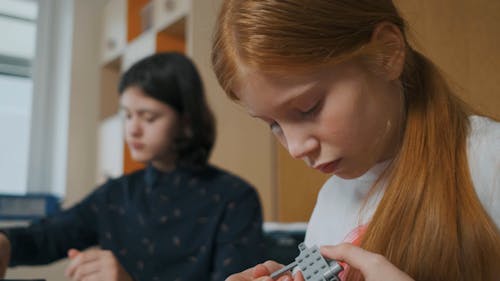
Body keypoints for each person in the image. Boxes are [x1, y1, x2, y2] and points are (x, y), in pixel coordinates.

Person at [210, 1, 500, 281]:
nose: (296, 148)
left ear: (387, 53)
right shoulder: (330, 203)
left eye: (309, 108)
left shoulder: (490, 162)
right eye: (274, 124)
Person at [0, 52, 265, 281]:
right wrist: (5, 243)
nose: (133, 129)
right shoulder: (115, 195)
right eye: (127, 115)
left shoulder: (235, 199)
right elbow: (48, 235)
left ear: (186, 121)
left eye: (148, 117)